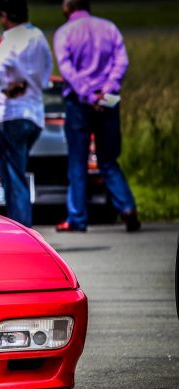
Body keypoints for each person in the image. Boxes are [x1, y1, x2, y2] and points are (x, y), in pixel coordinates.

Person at [53, 0, 139, 232]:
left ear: (67, 6)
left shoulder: (64, 33)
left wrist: (88, 94)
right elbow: (121, 61)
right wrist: (107, 90)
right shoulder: (109, 27)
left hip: (80, 102)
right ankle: (127, 208)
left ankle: (77, 218)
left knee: (78, 162)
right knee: (109, 159)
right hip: (108, 101)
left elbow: (67, 69)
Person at [0, 0, 52, 227]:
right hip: (34, 114)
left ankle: (21, 228)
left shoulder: (12, 37)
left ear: (5, 16)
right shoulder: (39, 36)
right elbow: (45, 76)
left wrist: (7, 85)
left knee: (14, 179)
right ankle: (22, 224)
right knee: (18, 173)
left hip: (10, 114)